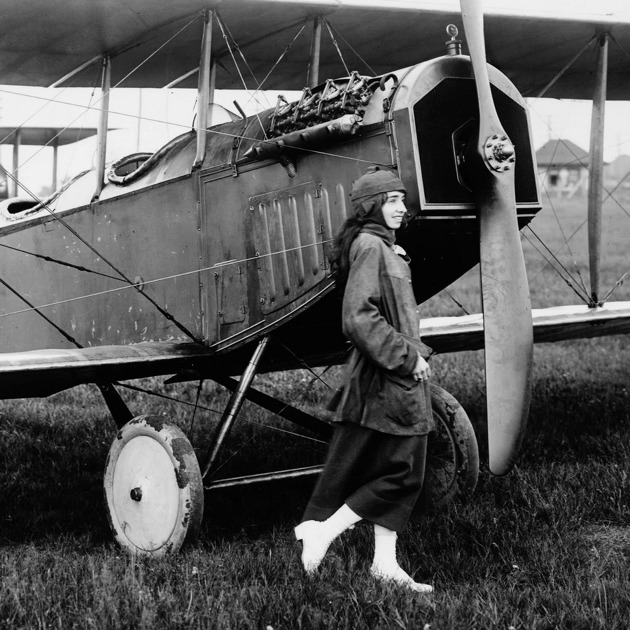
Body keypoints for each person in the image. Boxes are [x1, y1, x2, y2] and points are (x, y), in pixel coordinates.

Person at [295, 166, 434, 594]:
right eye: (392, 201)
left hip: (385, 374)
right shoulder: (372, 247)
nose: (401, 208)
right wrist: (407, 357)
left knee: (384, 464)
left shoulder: (382, 247)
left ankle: (384, 563)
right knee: (404, 471)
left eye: (401, 200)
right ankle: (323, 531)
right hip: (390, 374)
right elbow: (358, 316)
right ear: (372, 206)